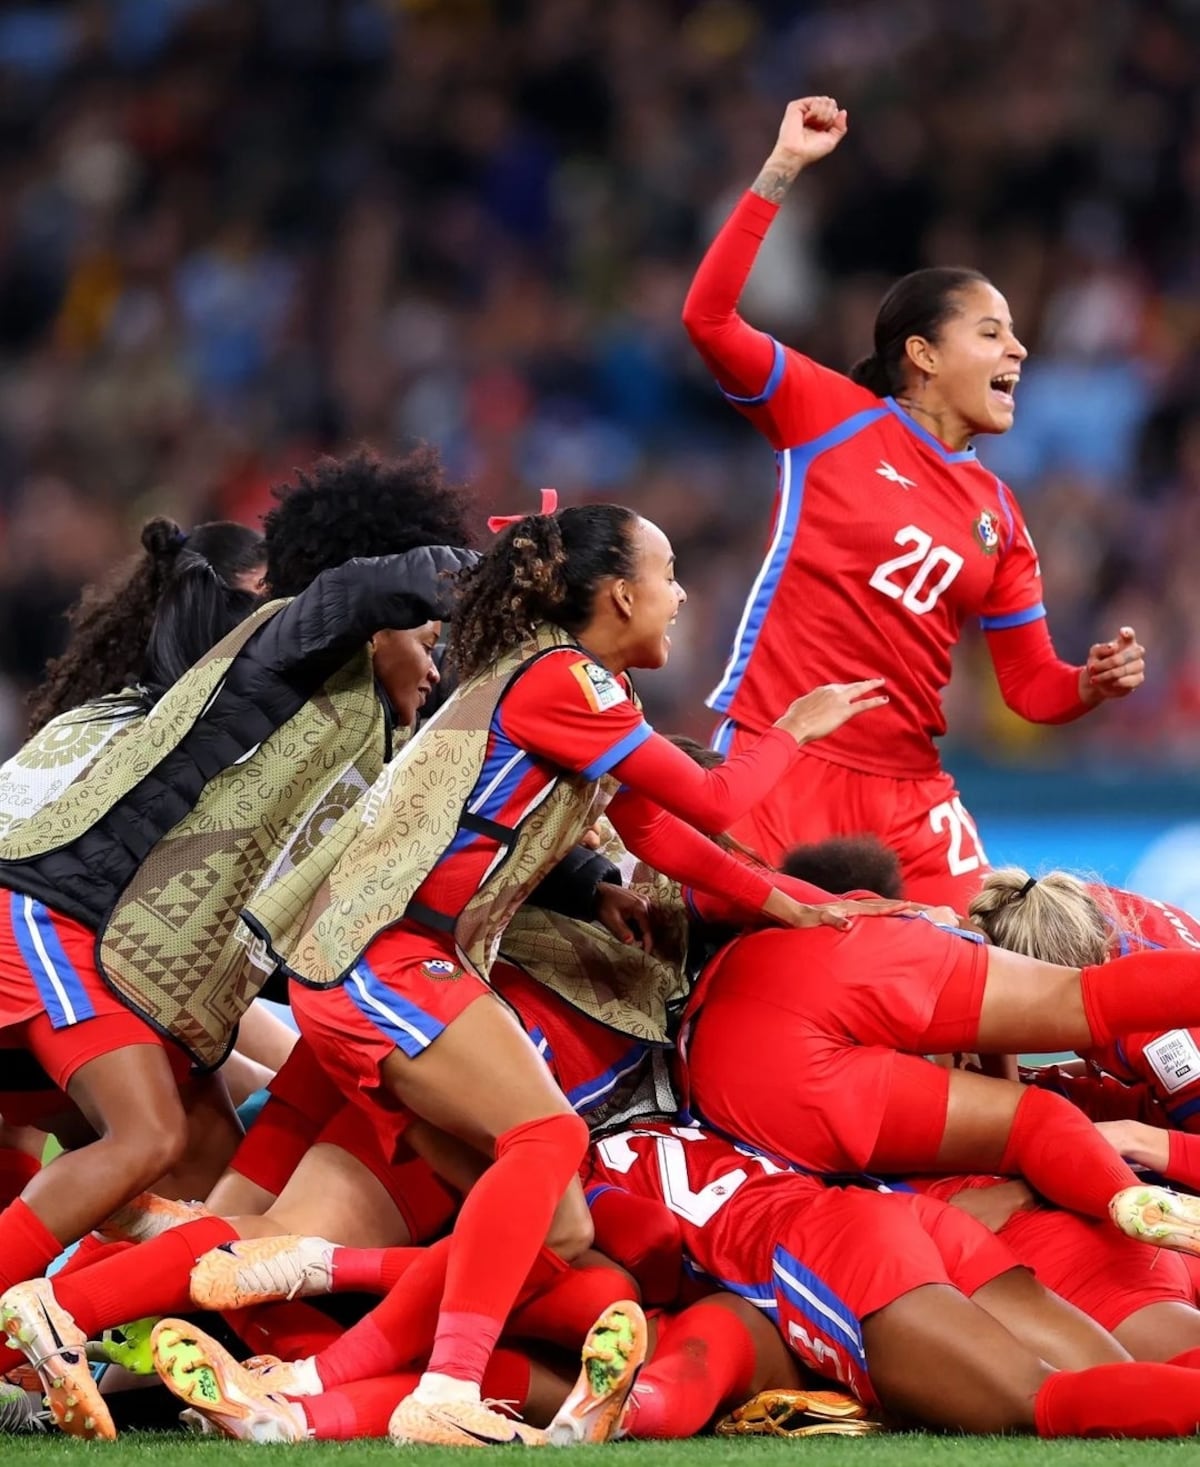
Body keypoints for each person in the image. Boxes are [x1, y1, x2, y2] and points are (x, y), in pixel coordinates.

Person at [237, 499, 903, 1448]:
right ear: (621, 591)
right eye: (668, 575)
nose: (680, 595)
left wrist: (783, 903)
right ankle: (443, 1387)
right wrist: (792, 729)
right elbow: (716, 797)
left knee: (557, 1232)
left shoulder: (572, 689)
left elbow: (653, 830)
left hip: (393, 958)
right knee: (547, 1133)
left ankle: (309, 1371)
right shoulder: (564, 680)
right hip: (385, 954)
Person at [682, 95, 1145, 905]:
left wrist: (1089, 684)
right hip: (783, 755)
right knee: (741, 979)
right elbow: (708, 318)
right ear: (923, 354)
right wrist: (782, 168)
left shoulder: (1000, 513)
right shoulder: (827, 417)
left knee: (996, 976)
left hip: (909, 789)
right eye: (992, 332)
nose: (1019, 348)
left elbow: (1030, 686)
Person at [679, 899, 1200, 1241]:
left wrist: (1139, 1141)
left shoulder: (1159, 1042)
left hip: (743, 1067)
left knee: (1033, 1119)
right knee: (1073, 1036)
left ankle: (1127, 1198)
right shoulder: (1075, 911)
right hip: (829, 960)